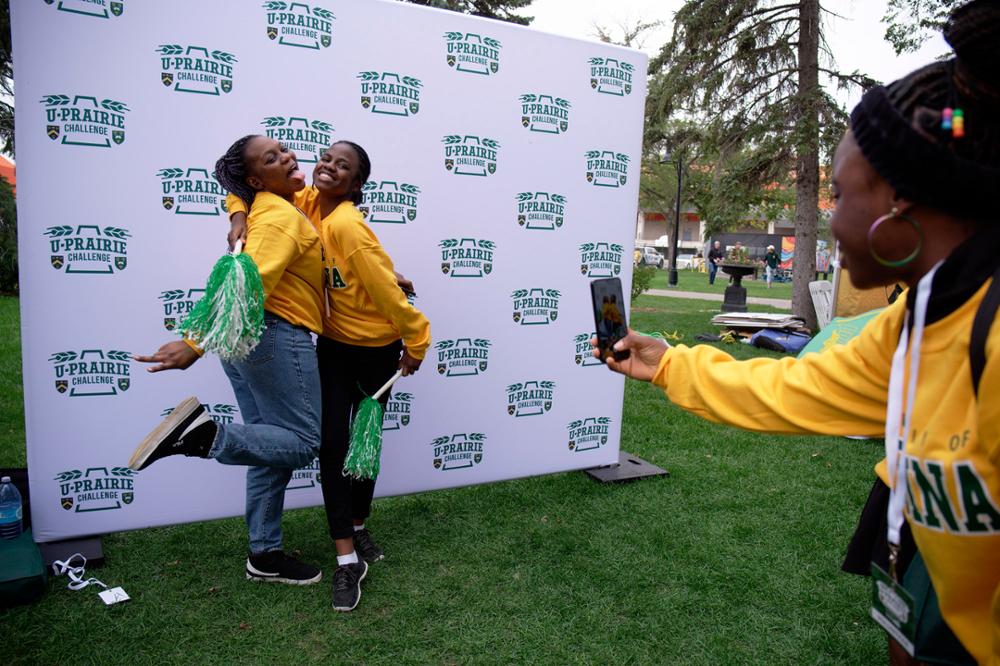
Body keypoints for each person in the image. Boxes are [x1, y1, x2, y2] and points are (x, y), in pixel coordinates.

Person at [595, 2, 1000, 661]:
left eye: (839, 195)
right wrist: (669, 364)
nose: (829, 220)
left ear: (899, 201)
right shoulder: (918, 315)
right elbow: (797, 386)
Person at [227, 141, 431, 612]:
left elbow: (388, 296)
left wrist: (416, 344)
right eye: (326, 157)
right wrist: (237, 213)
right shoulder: (306, 202)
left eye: (343, 166)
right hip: (334, 348)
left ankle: (358, 528)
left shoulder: (348, 224)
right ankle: (345, 560)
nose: (327, 166)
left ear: (356, 184)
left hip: (378, 352)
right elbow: (241, 184)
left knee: (365, 444)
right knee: (333, 446)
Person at [128, 135, 327, 586]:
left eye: (285, 150)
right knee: (303, 441)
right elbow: (246, 286)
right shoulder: (278, 216)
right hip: (275, 335)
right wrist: (194, 344)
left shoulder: (264, 204)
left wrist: (238, 208)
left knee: (268, 446)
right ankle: (204, 436)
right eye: (274, 158)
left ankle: (265, 553)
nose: (290, 157)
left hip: (247, 341)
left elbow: (235, 188)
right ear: (259, 178)